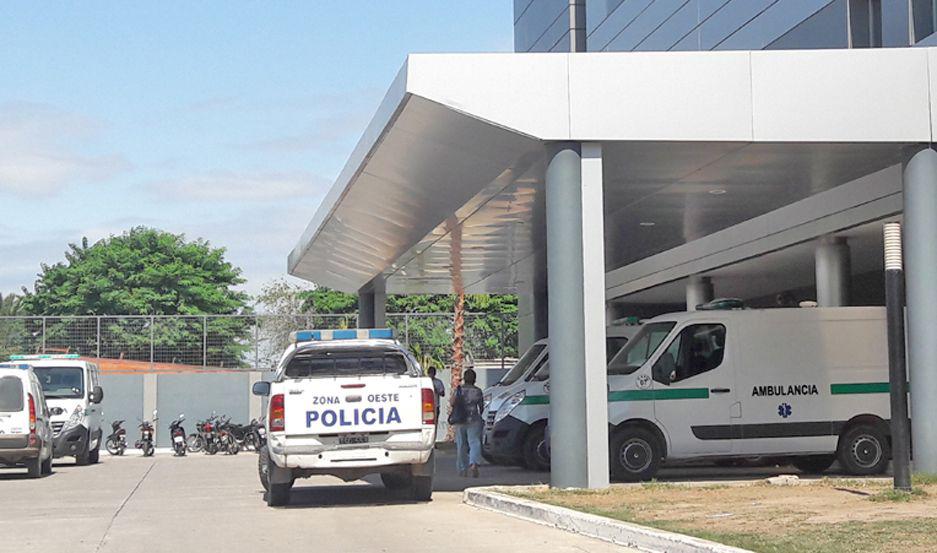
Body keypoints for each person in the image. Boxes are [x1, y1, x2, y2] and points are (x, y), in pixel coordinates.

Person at [449, 368, 485, 478]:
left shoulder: (459, 390)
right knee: (474, 442)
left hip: (460, 420)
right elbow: (481, 406)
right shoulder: (477, 391)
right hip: (473, 419)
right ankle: (473, 463)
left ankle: (462, 469)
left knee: (461, 445)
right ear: (474, 379)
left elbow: (452, 402)